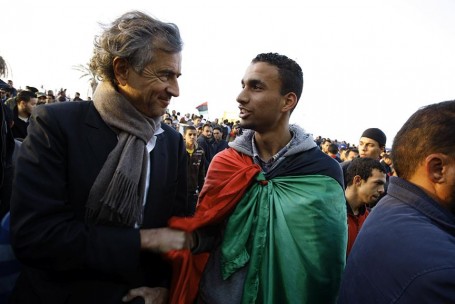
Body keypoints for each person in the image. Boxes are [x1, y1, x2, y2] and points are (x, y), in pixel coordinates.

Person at [10, 11, 192, 304]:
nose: (175, 90)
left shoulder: (171, 142)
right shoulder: (56, 125)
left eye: (177, 76)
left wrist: (164, 288)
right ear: (122, 70)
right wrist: (143, 240)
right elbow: (36, 236)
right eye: (165, 75)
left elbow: (177, 231)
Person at [167, 52, 347, 304]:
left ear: (288, 101)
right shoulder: (225, 163)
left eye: (256, 87)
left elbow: (323, 266)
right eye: (243, 85)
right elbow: (209, 233)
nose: (241, 97)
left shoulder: (322, 173)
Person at [339, 100, 455, 303]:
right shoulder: (442, 270)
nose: (364, 149)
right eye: (362, 144)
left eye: (370, 144)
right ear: (437, 169)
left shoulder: (388, 205)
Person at [344, 157, 386, 257]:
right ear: (358, 180)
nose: (382, 190)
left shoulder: (370, 217)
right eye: (378, 183)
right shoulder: (330, 214)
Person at [184, 126, 205, 214]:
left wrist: (201, 190)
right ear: (184, 136)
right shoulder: (179, 149)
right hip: (179, 190)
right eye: (190, 134)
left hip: (193, 191)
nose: (192, 137)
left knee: (191, 216)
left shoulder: (200, 151)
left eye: (195, 134)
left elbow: (201, 172)